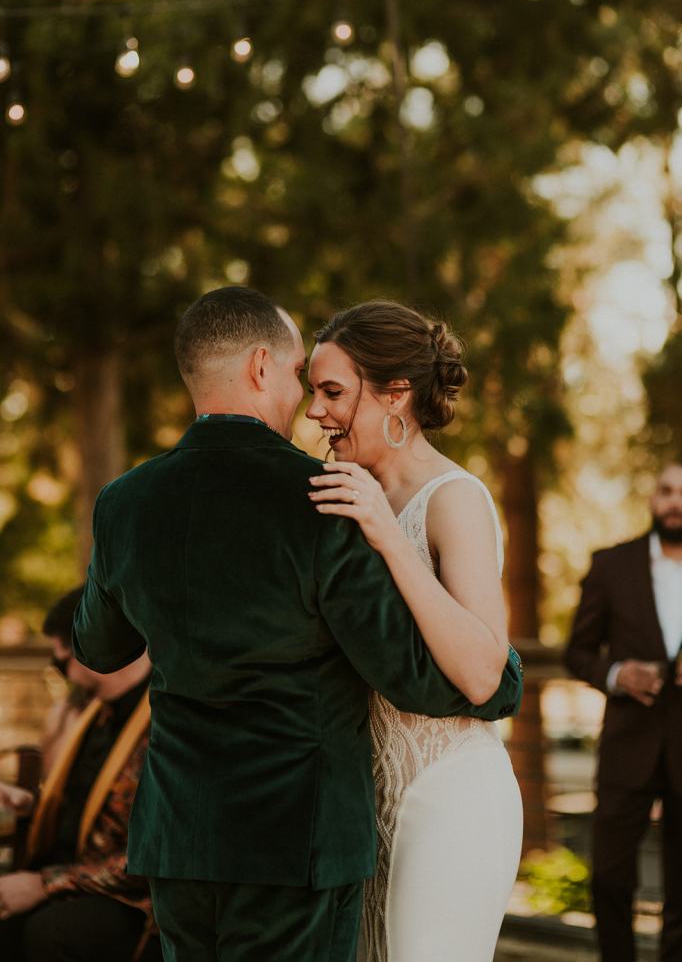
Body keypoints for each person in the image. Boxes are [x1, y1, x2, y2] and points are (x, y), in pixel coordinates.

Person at [72, 286, 522, 962]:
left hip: (179, 838)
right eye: (299, 378)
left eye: (328, 390)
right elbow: (416, 677)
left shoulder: (123, 502)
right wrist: (504, 681)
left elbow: (98, 648)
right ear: (260, 367)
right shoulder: (319, 501)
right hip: (297, 840)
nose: (310, 407)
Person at [305, 300, 523, 962]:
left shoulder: (455, 499)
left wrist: (389, 536)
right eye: (313, 392)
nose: (314, 411)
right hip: (366, 803)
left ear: (395, 393)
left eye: (332, 392)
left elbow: (482, 672)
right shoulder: (343, 496)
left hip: (450, 798)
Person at [0, 587, 159, 962]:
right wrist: (30, 805)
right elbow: (84, 808)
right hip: (66, 876)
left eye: (62, 662)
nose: (61, 673)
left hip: (129, 898)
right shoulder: (92, 714)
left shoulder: (165, 720)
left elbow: (154, 854)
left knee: (52, 933)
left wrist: (44, 885)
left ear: (94, 646)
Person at [565, 461, 682, 962]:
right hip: (626, 745)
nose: (676, 502)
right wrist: (617, 674)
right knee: (610, 878)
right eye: (667, 490)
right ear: (653, 499)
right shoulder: (611, 565)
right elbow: (578, 652)